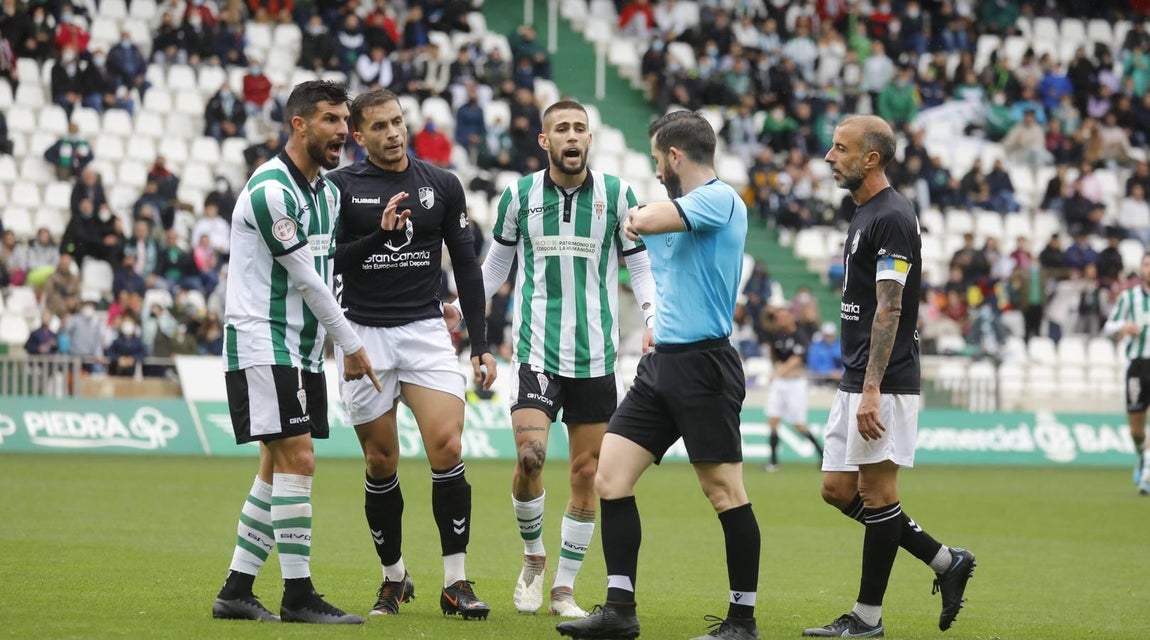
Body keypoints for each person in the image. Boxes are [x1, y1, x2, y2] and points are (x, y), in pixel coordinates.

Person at [556, 110, 761, 640]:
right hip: (661, 364)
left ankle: (743, 620)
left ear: (674, 156)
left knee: (723, 492)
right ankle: (620, 611)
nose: (656, 171)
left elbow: (642, 222)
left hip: (705, 365)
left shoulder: (720, 198)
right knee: (610, 477)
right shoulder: (678, 206)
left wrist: (638, 215)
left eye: (657, 160)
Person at [474, 99, 656, 618]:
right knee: (529, 459)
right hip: (536, 353)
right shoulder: (518, 196)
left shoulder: (619, 196)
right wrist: (463, 313)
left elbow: (638, 265)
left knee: (587, 473)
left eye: (580, 128)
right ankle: (533, 558)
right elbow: (495, 270)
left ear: (590, 139)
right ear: (545, 141)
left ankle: (563, 588)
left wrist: (652, 316)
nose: (572, 136)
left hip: (596, 358)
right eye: (562, 129)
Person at [209, 80, 378, 626]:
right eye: (330, 120)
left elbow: (329, 266)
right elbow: (305, 278)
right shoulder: (270, 191)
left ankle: (236, 589)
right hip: (264, 340)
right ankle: (298, 594)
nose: (342, 132)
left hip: (302, 351)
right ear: (298, 124)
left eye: (344, 120)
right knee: (299, 459)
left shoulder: (326, 195)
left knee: (274, 465)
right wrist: (351, 345)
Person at [325, 88, 496, 620]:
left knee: (446, 445)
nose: (394, 133)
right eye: (379, 127)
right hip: (364, 336)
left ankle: (456, 582)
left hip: (424, 329)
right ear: (359, 135)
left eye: (398, 122)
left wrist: (480, 345)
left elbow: (466, 267)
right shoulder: (338, 190)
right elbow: (331, 263)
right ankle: (394, 578)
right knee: (381, 461)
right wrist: (379, 237)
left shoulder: (441, 185)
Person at [802, 115, 975, 638]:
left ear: (870, 159)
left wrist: (873, 386)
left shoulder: (893, 217)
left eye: (840, 149)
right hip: (858, 374)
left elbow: (890, 307)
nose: (829, 158)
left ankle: (867, 619)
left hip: (884, 378)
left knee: (878, 494)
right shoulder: (865, 214)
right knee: (836, 488)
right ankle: (946, 561)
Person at [1101, 253, 1150, 495]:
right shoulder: (1129, 298)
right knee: (1137, 431)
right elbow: (1108, 327)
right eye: (1147, 264)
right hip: (1138, 367)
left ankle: (1148, 477)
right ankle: (1143, 458)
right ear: (1141, 268)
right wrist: (1124, 327)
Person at [762, 306, 823, 471]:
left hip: (795, 383)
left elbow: (796, 359)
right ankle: (773, 461)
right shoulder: (776, 336)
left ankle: (823, 455)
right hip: (780, 383)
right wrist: (777, 371)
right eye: (778, 317)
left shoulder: (800, 335)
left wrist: (779, 372)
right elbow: (774, 356)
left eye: (783, 316)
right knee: (773, 419)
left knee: (798, 424)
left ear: (791, 317)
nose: (780, 320)